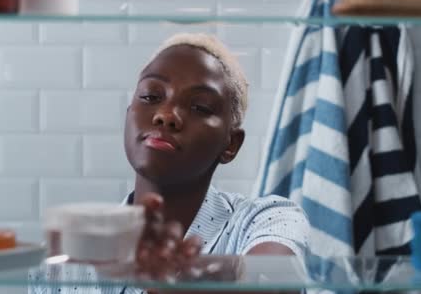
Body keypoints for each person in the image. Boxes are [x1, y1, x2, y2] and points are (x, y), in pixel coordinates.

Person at [32, 33, 311, 293]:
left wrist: (183, 273)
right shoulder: (62, 259)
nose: (166, 115)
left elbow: (270, 279)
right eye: (151, 97)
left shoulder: (266, 220)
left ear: (231, 144)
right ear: (129, 115)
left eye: (200, 107)